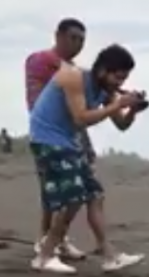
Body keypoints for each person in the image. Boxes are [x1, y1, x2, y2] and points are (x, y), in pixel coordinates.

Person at [28, 44, 147, 274]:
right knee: (73, 197)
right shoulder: (73, 77)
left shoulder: (107, 90)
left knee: (94, 194)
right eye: (117, 77)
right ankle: (44, 256)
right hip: (46, 138)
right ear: (102, 70)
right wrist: (116, 105)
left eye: (124, 79)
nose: (119, 84)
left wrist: (131, 109)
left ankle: (110, 256)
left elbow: (121, 124)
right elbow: (81, 118)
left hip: (69, 141)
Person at [25, 18, 90, 260]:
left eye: (82, 40)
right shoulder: (42, 60)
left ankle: (59, 237)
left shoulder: (72, 70)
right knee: (52, 186)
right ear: (59, 36)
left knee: (73, 187)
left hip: (71, 128)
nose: (77, 44)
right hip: (47, 130)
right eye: (73, 38)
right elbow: (39, 99)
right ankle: (45, 238)